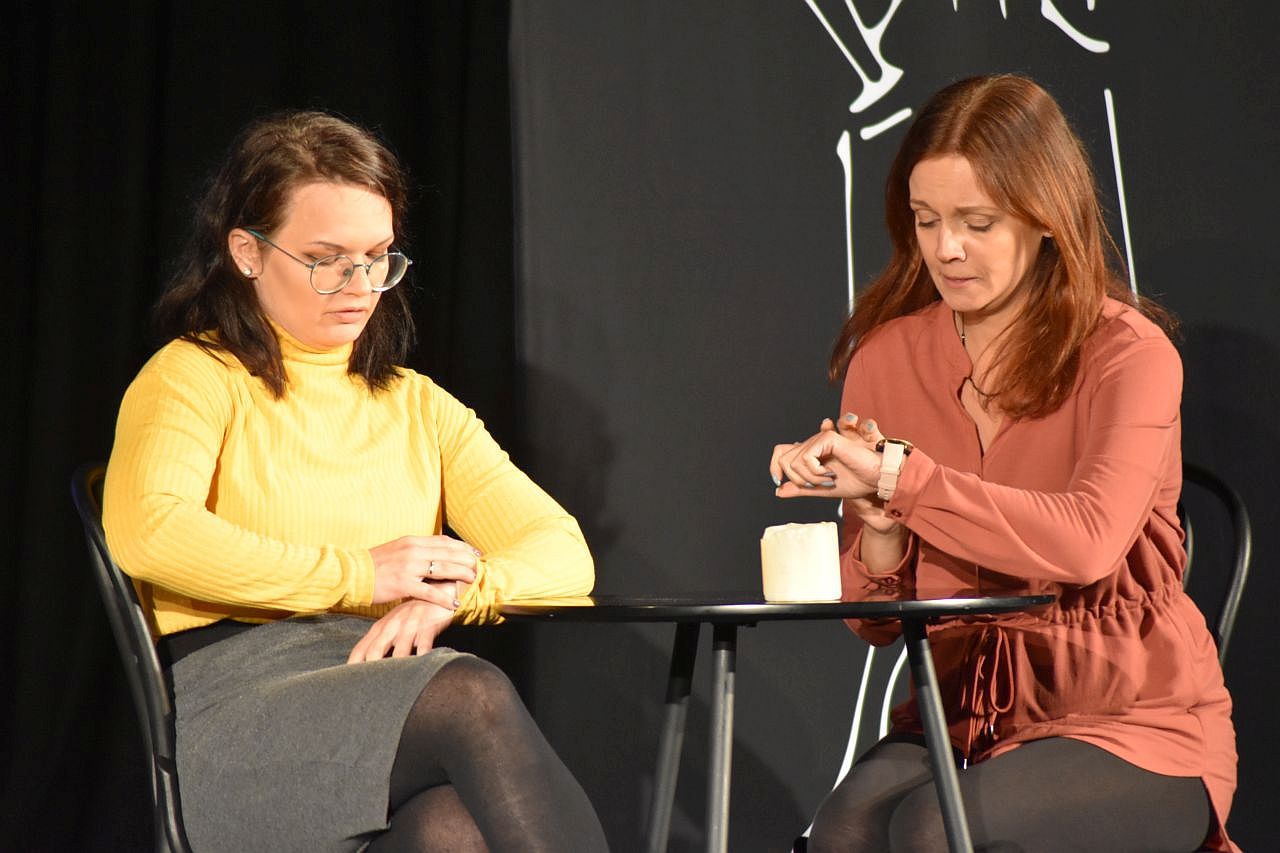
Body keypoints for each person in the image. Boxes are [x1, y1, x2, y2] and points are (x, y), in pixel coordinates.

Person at [103, 110, 610, 853]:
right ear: (247, 252)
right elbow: (151, 532)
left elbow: (563, 554)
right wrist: (361, 574)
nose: (360, 285)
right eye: (326, 259)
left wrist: (454, 593)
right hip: (241, 712)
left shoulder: (417, 405)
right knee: (468, 693)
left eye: (378, 258)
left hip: (383, 683)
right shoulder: (192, 377)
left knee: (455, 830)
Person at [770, 75, 1237, 853]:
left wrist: (902, 477)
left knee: (934, 829)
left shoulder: (1127, 353)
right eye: (926, 220)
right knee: (844, 833)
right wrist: (881, 526)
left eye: (976, 222)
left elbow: (1086, 541)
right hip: (956, 716)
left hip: (1126, 719)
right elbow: (873, 622)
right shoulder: (887, 359)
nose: (945, 248)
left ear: (1044, 217)